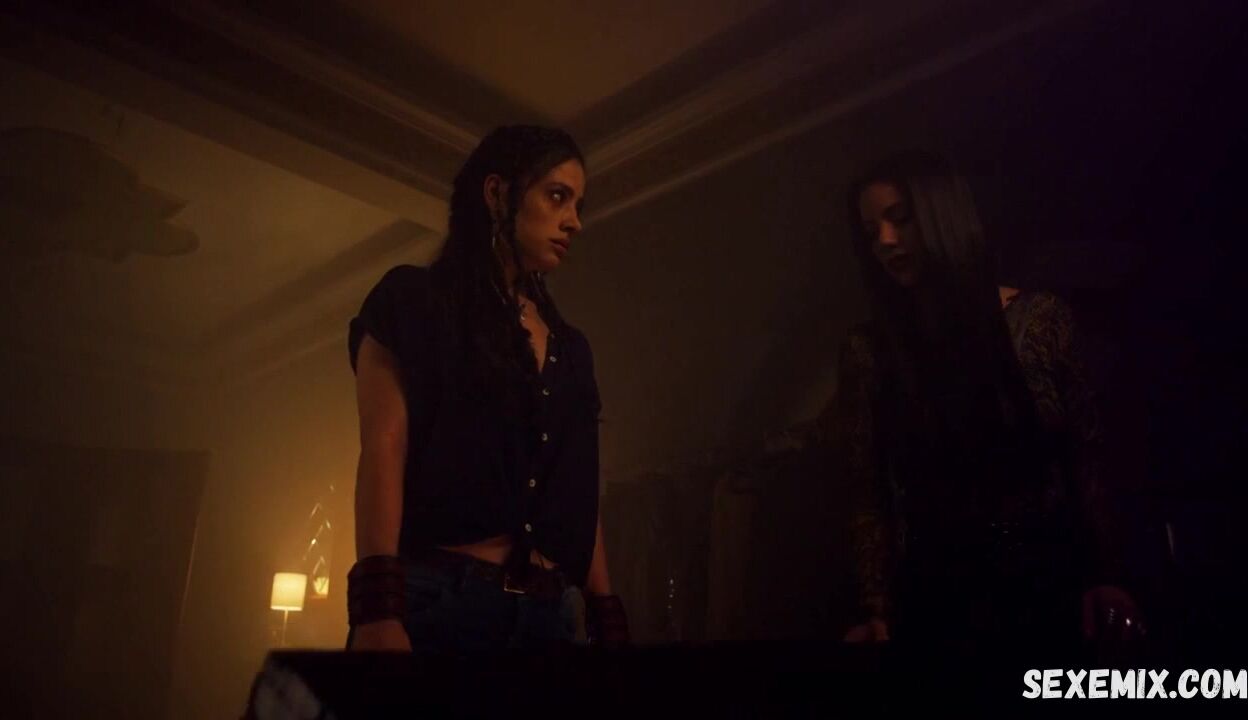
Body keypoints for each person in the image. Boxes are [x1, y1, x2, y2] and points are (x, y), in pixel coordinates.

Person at [832, 150, 1138, 659]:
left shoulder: (1037, 322)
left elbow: (1088, 455)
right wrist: (875, 609)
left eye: (900, 218)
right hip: (938, 600)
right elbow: (866, 491)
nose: (884, 241)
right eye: (870, 232)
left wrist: (1109, 575)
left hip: (1050, 586)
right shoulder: (871, 352)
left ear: (940, 214)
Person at [344, 125, 628, 653]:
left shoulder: (572, 347)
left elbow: (580, 487)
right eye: (557, 196)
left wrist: (607, 614)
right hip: (442, 600)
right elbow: (384, 446)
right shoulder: (414, 299)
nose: (574, 221)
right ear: (497, 193)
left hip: (554, 615)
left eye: (577, 204)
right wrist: (377, 609)